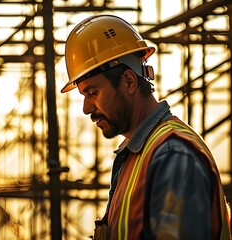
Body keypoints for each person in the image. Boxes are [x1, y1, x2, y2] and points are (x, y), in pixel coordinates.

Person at [61, 15, 231, 240]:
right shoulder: (138, 155)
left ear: (129, 82)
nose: (86, 108)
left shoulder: (172, 156)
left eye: (92, 93)